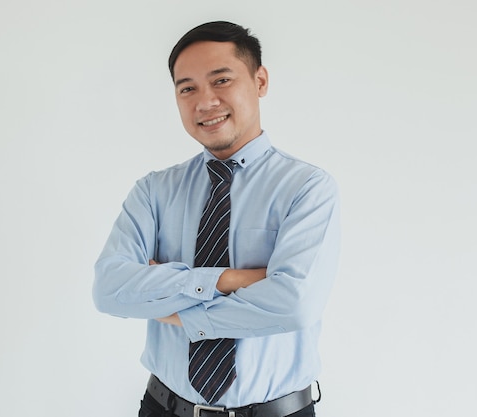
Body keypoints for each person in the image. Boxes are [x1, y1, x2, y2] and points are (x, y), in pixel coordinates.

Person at [93, 21, 340, 417]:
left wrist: (171, 309)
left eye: (221, 80)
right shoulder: (154, 191)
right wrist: (232, 280)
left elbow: (294, 305)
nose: (204, 102)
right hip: (163, 408)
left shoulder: (307, 188)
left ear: (260, 81)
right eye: (187, 88)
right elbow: (109, 289)